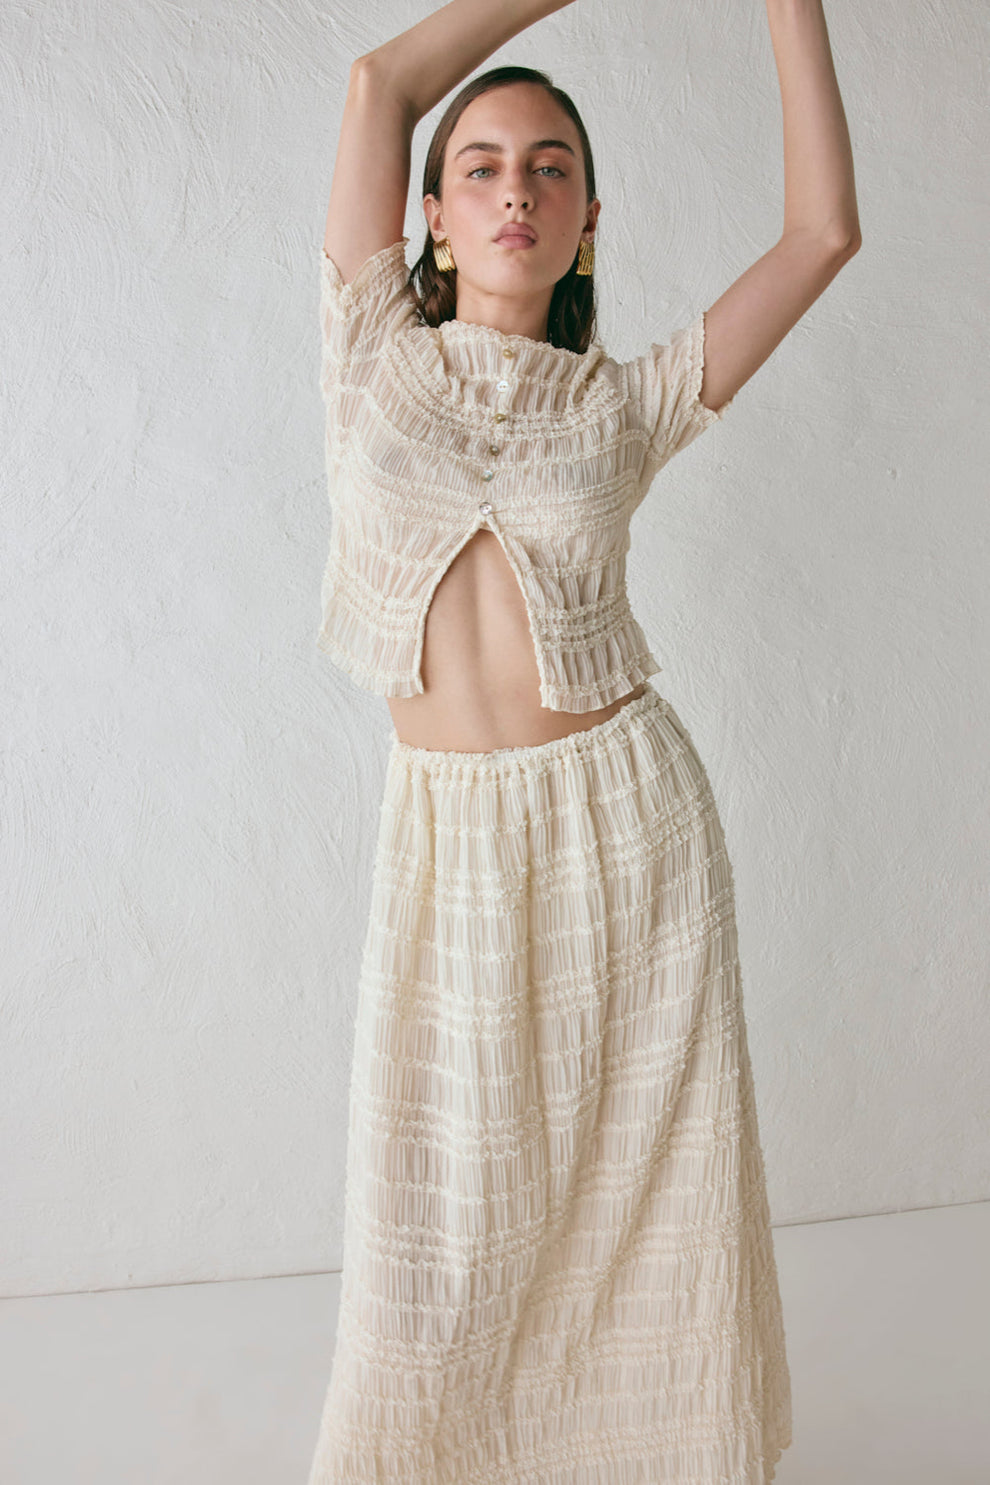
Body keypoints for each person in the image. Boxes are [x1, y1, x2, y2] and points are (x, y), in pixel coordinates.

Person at [307, 0, 860, 1480]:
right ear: (430, 218)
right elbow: (380, 80)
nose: (516, 190)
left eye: (551, 169)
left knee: (649, 1203)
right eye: (481, 166)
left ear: (588, 222)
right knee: (437, 1230)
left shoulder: (621, 406)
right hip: (447, 840)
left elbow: (822, 235)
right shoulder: (369, 350)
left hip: (630, 828)